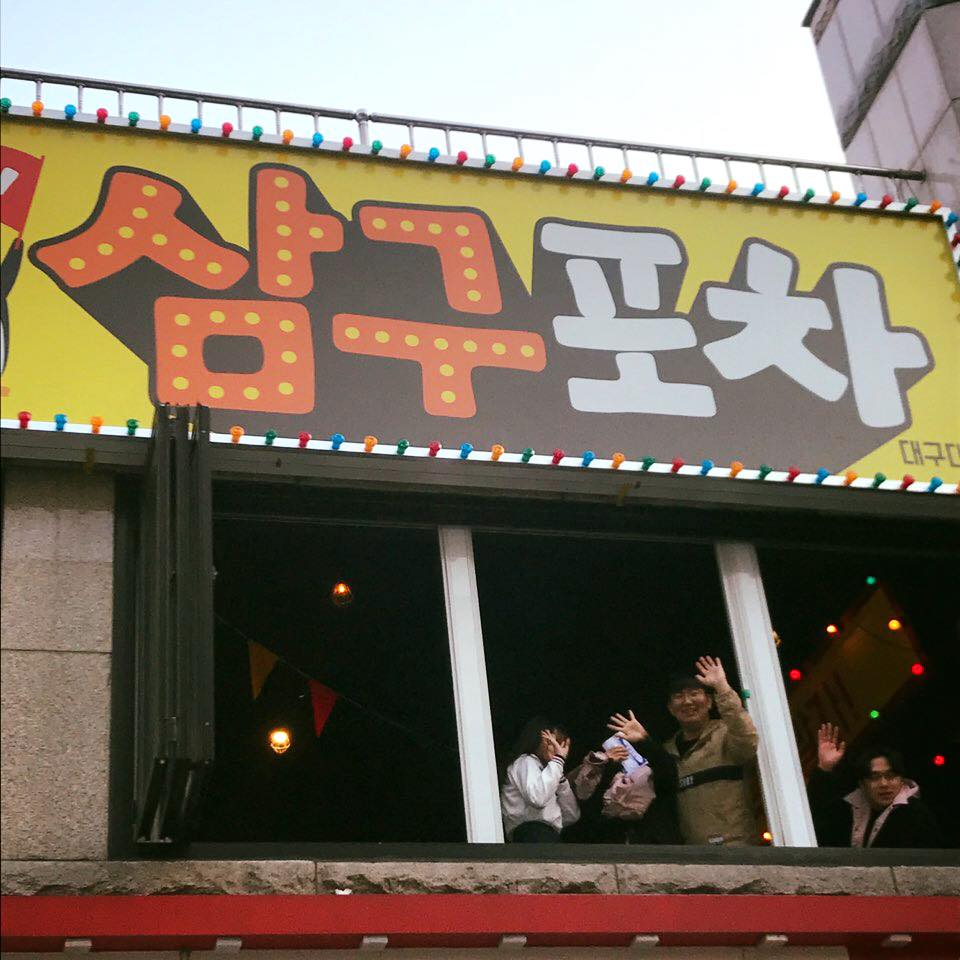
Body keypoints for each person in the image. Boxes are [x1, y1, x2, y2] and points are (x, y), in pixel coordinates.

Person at [662, 655, 759, 846]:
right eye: (679, 696)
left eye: (694, 693)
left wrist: (722, 688)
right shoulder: (667, 752)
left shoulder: (726, 735)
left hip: (737, 848)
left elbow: (747, 740)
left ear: (709, 702)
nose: (687, 701)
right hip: (694, 855)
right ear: (671, 709)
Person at [808, 723, 942, 848]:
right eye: (874, 777)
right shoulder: (847, 810)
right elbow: (816, 816)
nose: (884, 784)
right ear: (862, 784)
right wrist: (825, 767)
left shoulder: (917, 815)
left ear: (902, 780)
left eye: (890, 776)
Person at [572, 710, 681, 844]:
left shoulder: (653, 762)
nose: (622, 744)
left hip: (653, 841)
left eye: (625, 738)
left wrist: (644, 741)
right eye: (616, 739)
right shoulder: (599, 766)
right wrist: (607, 765)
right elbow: (589, 807)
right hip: (610, 842)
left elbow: (669, 778)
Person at [500, 717, 580, 843]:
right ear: (538, 740)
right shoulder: (526, 762)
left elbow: (571, 815)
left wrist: (560, 778)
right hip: (531, 835)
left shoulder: (550, 771)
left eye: (561, 744)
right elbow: (537, 798)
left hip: (549, 836)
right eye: (553, 742)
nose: (558, 749)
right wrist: (558, 761)